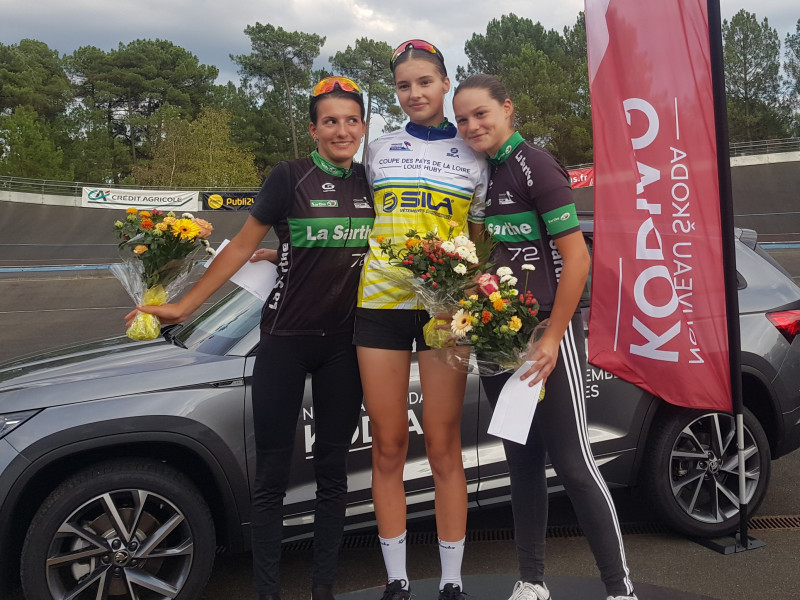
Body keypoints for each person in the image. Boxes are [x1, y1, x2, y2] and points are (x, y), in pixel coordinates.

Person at [125, 76, 373, 600]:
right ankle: (267, 592)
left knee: (334, 473)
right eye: (331, 121)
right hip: (284, 341)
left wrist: (284, 253)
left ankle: (323, 590)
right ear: (313, 129)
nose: (342, 130)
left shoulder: (370, 181)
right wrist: (183, 307)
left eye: (352, 120)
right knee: (272, 476)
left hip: (343, 346)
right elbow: (239, 246)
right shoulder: (289, 176)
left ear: (363, 127)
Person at [452, 73, 637, 600]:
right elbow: (484, 254)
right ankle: (532, 582)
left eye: (481, 114)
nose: (472, 126)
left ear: (507, 109)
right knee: (522, 464)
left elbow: (577, 259)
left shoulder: (537, 165)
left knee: (574, 465)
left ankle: (620, 590)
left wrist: (553, 338)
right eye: (462, 119)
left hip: (545, 335)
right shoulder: (482, 173)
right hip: (497, 336)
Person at [354, 40, 488, 600]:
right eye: (403, 85)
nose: (414, 93)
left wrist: (470, 297)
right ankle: (397, 579)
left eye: (425, 82)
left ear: (445, 83)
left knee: (442, 444)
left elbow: (480, 240)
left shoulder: (474, 153)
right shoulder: (377, 150)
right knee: (387, 444)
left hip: (444, 311)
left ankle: (452, 581)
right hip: (380, 306)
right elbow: (351, 216)